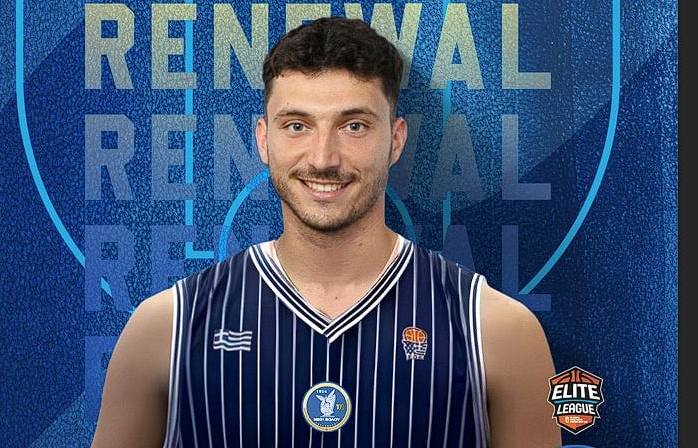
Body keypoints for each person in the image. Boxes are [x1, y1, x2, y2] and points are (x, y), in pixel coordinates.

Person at [91, 17, 561, 448]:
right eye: (297, 125)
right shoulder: (166, 329)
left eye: (354, 126)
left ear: (395, 139)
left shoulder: (495, 332)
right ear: (264, 139)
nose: (322, 158)